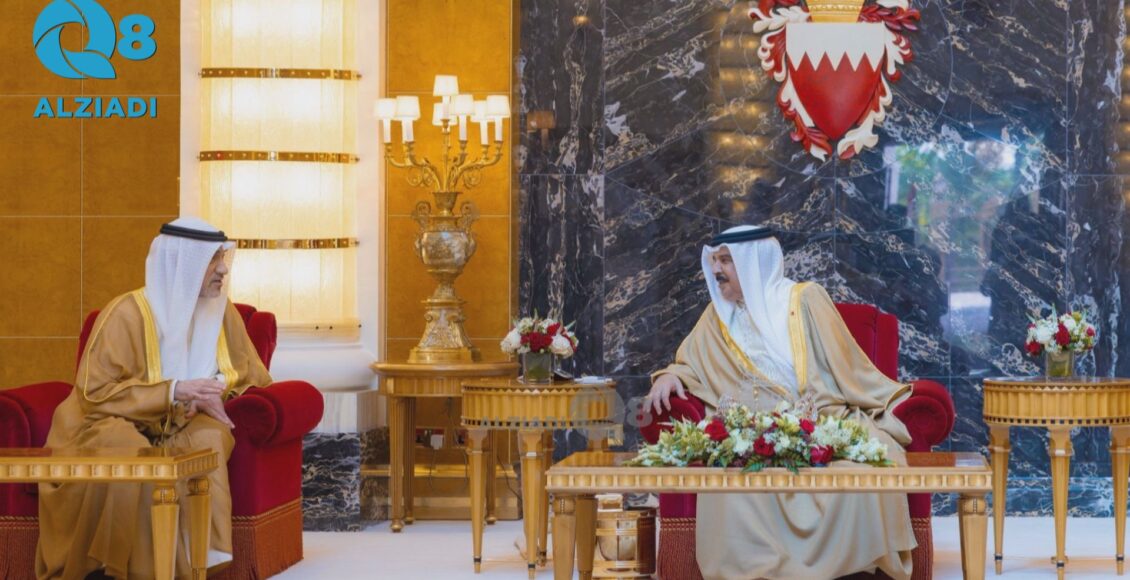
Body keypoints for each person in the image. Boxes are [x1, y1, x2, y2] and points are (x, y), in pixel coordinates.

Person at [644, 225, 916, 580]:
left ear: (753, 262)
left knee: (863, 471)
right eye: (715, 261)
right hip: (750, 429)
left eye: (726, 260)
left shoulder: (804, 300)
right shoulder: (717, 317)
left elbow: (845, 362)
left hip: (819, 418)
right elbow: (690, 362)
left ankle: (850, 569)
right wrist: (670, 376)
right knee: (730, 481)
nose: (716, 270)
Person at [36, 217, 272, 580]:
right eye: (212, 260)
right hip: (104, 421)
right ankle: (109, 567)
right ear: (183, 263)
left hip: (177, 421)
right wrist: (173, 390)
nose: (223, 269)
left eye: (222, 258)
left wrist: (210, 391)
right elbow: (95, 393)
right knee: (132, 450)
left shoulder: (221, 313)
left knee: (210, 437)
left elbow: (247, 372)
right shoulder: (126, 314)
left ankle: (196, 564)